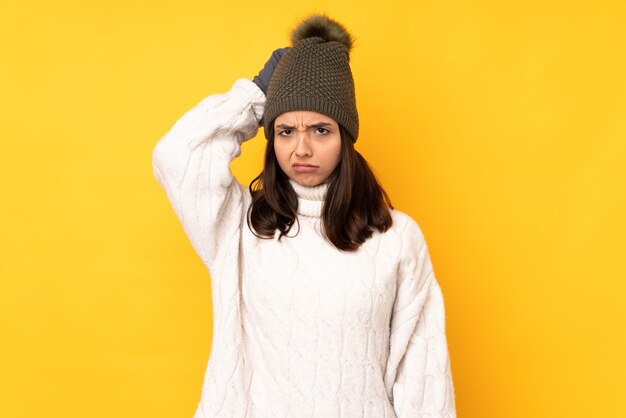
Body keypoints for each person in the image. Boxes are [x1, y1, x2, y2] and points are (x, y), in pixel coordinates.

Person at [152, 13, 456, 418]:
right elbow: (177, 156)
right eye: (285, 131)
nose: (301, 149)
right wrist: (255, 95)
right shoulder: (240, 229)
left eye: (320, 130)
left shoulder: (397, 239)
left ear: (346, 138)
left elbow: (423, 381)